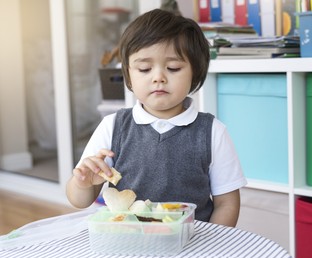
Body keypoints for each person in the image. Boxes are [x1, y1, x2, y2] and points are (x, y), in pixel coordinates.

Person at [66, 9, 247, 227]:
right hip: (128, 242)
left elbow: (227, 204)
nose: (158, 77)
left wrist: (212, 249)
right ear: (129, 74)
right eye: (144, 68)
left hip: (192, 246)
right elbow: (79, 200)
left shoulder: (212, 132)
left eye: (173, 68)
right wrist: (83, 181)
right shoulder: (113, 127)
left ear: (195, 72)